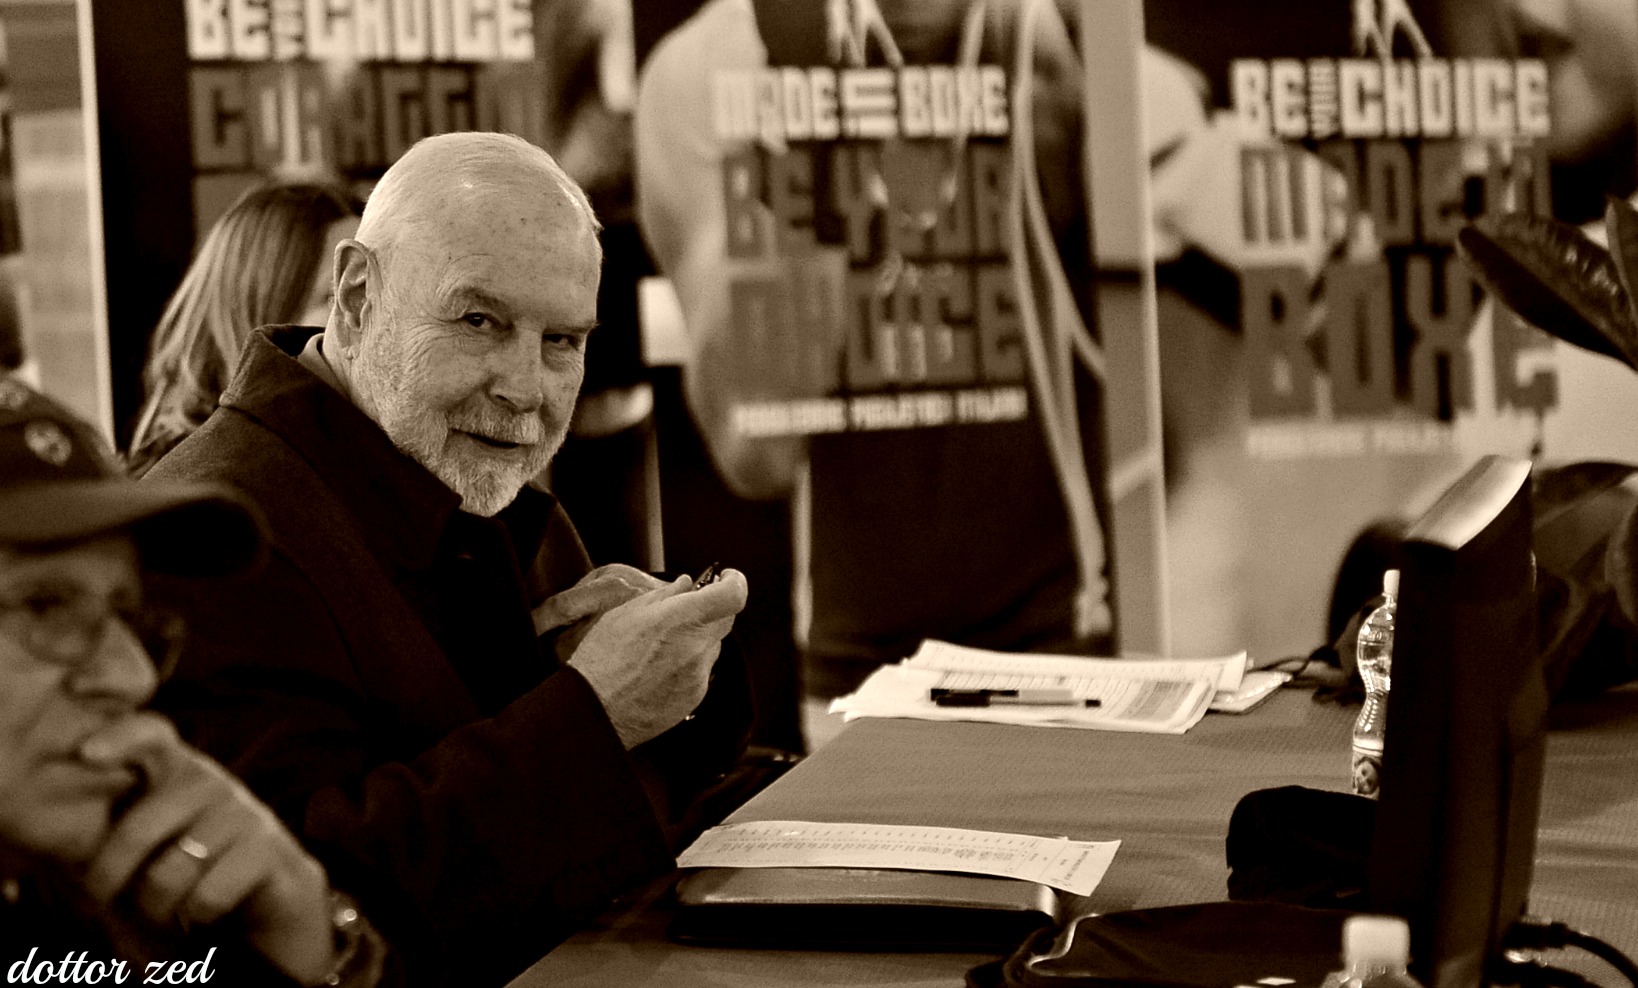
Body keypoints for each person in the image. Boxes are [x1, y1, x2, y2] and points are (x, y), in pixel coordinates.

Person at [144, 131, 753, 986]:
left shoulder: (471, 478)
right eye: (479, 321)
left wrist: (675, 680)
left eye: (563, 342)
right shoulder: (213, 541)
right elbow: (308, 913)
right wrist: (595, 710)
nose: (526, 388)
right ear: (356, 296)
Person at [635, 0, 1112, 696]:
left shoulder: (1059, 41)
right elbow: (756, 453)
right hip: (857, 660)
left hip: (1079, 636)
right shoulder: (713, 67)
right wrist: (815, 151)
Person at [0, 374, 387, 986]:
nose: (130, 678)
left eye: (130, 617)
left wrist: (304, 938)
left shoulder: (71, 902)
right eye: (45, 605)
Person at [127, 182, 358, 476]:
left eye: (371, 286)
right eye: (332, 297)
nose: (362, 311)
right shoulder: (197, 490)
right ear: (260, 310)